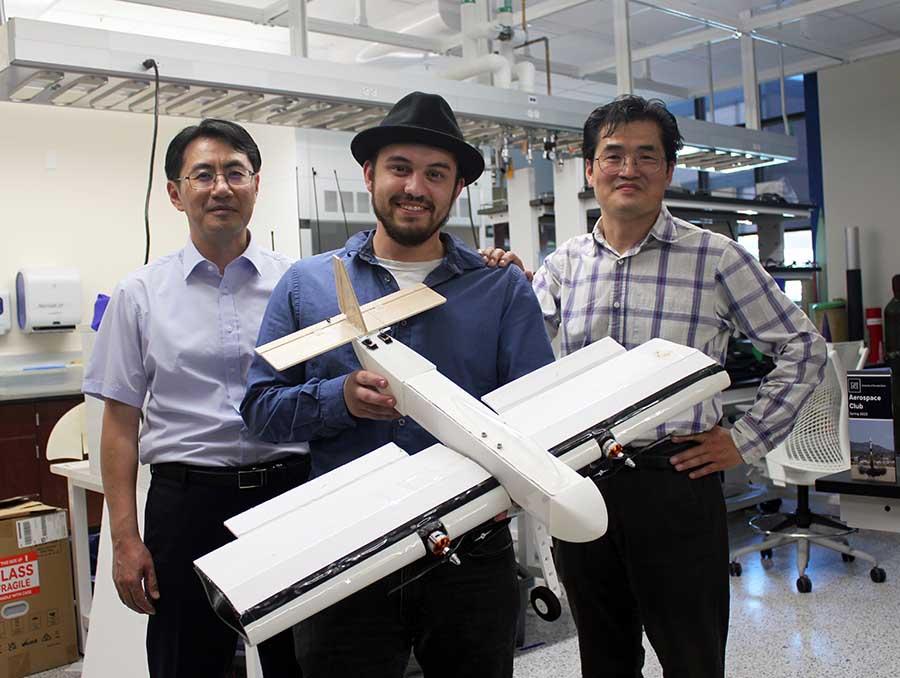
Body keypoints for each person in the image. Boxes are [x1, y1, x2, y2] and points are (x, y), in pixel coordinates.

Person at [487, 95, 826, 677]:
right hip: (581, 481)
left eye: (647, 156)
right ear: (590, 169)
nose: (628, 169)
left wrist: (744, 440)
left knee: (691, 656)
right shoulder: (562, 266)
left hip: (675, 480)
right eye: (612, 155)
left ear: (669, 170)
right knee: (604, 653)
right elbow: (525, 367)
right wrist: (505, 288)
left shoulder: (716, 258)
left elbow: (804, 348)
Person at [240, 91, 555, 678]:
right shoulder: (307, 286)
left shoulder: (501, 289)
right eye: (400, 168)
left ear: (457, 189)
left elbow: (538, 417)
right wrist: (340, 400)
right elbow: (259, 409)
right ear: (369, 174)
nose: (415, 187)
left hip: (471, 550)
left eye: (436, 174)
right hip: (345, 549)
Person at [83, 119, 308, 678]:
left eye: (235, 172)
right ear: (176, 193)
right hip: (187, 506)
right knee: (187, 661)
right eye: (203, 174)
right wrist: (124, 538)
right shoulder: (140, 295)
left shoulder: (300, 284)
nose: (221, 187)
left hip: (290, 494)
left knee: (301, 658)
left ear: (257, 183)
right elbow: (118, 424)